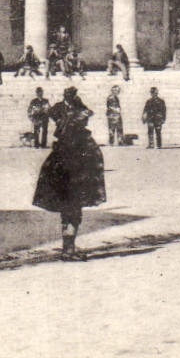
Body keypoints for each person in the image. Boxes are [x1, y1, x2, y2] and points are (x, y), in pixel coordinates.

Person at [33, 85, 106, 260]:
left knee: (68, 211)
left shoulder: (63, 140)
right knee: (73, 211)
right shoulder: (82, 138)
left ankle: (68, 247)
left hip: (64, 174)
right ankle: (69, 249)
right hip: (75, 177)